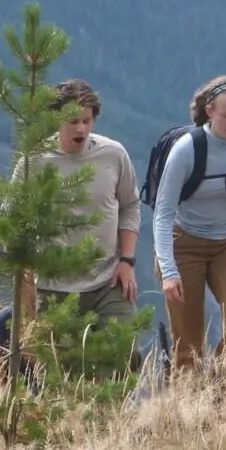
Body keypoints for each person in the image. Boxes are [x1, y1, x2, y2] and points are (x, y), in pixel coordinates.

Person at [153, 75, 226, 371]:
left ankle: (222, 380)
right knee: (188, 347)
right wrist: (168, 271)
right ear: (210, 111)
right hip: (184, 245)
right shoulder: (187, 149)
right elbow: (163, 213)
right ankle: (188, 404)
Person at [32, 79, 142, 334]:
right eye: (73, 122)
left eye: (87, 121)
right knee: (60, 369)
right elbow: (15, 221)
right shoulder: (35, 161)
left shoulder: (113, 155)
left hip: (109, 280)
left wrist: (127, 260)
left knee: (123, 355)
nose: (81, 128)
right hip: (54, 288)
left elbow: (130, 205)